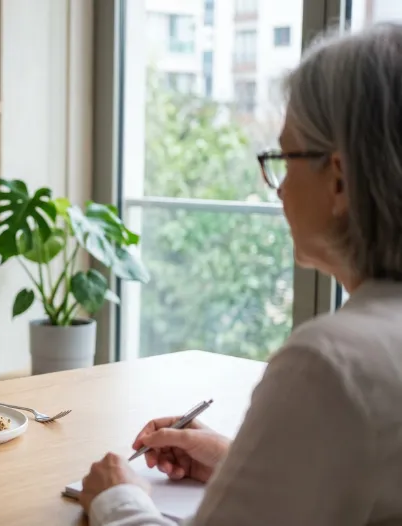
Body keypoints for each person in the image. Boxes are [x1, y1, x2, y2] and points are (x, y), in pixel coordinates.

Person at [79, 22, 402, 525]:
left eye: (284, 158)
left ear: (338, 180)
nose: (277, 188)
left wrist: (117, 498)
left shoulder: (329, 364)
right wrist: (243, 465)